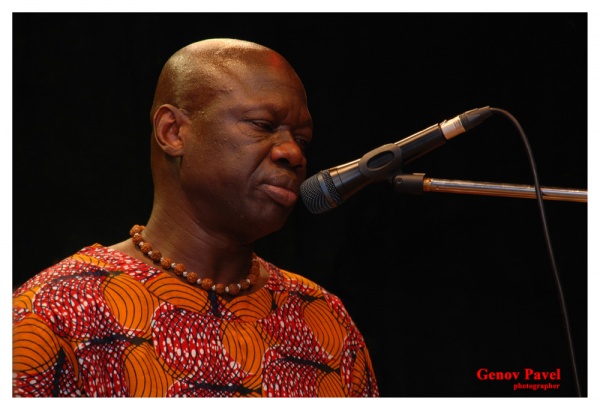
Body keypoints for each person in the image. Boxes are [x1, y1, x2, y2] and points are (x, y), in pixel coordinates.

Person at [12, 38, 379, 397]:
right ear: (172, 132)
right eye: (262, 125)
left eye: (302, 140)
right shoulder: (55, 312)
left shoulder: (325, 319)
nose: (293, 154)